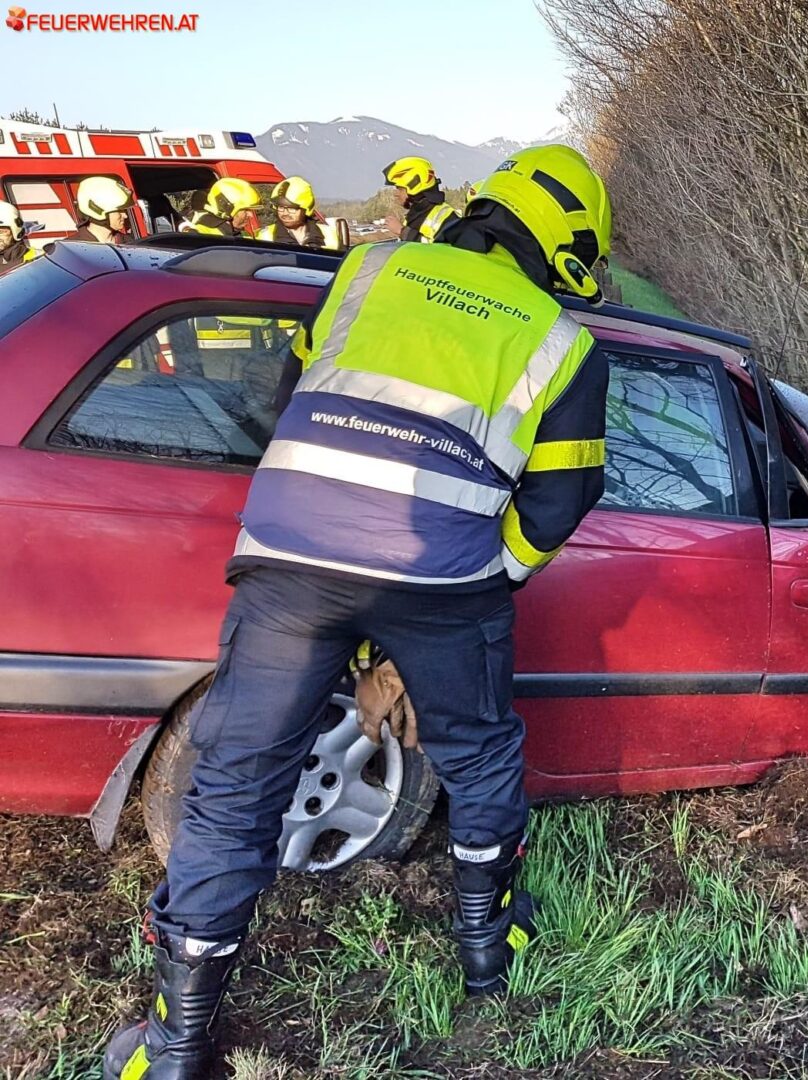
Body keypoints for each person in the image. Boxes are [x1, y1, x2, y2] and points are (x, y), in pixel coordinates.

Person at [103, 144, 613, 1079]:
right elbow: (562, 498)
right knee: (480, 749)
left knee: (237, 781)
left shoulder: (371, 269)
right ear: (568, 250)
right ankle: (487, 954)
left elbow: (290, 391)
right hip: (441, 573)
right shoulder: (562, 341)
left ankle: (175, 1047)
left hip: (293, 554)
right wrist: (487, 577)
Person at [383, 155, 459, 242]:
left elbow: (443, 252)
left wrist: (402, 232)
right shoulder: (416, 215)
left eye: (400, 189)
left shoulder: (448, 218)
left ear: (414, 186)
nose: (396, 194)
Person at [257, 176, 340, 249]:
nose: (285, 213)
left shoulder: (329, 236)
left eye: (292, 208)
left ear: (306, 209)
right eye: (281, 207)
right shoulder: (265, 236)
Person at [64, 176, 136, 244]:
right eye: (119, 211)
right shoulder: (69, 250)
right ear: (97, 210)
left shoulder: (131, 244)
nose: (125, 215)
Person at [183, 177, 264, 237]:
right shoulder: (199, 236)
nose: (251, 215)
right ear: (226, 208)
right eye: (246, 210)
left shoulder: (243, 235)